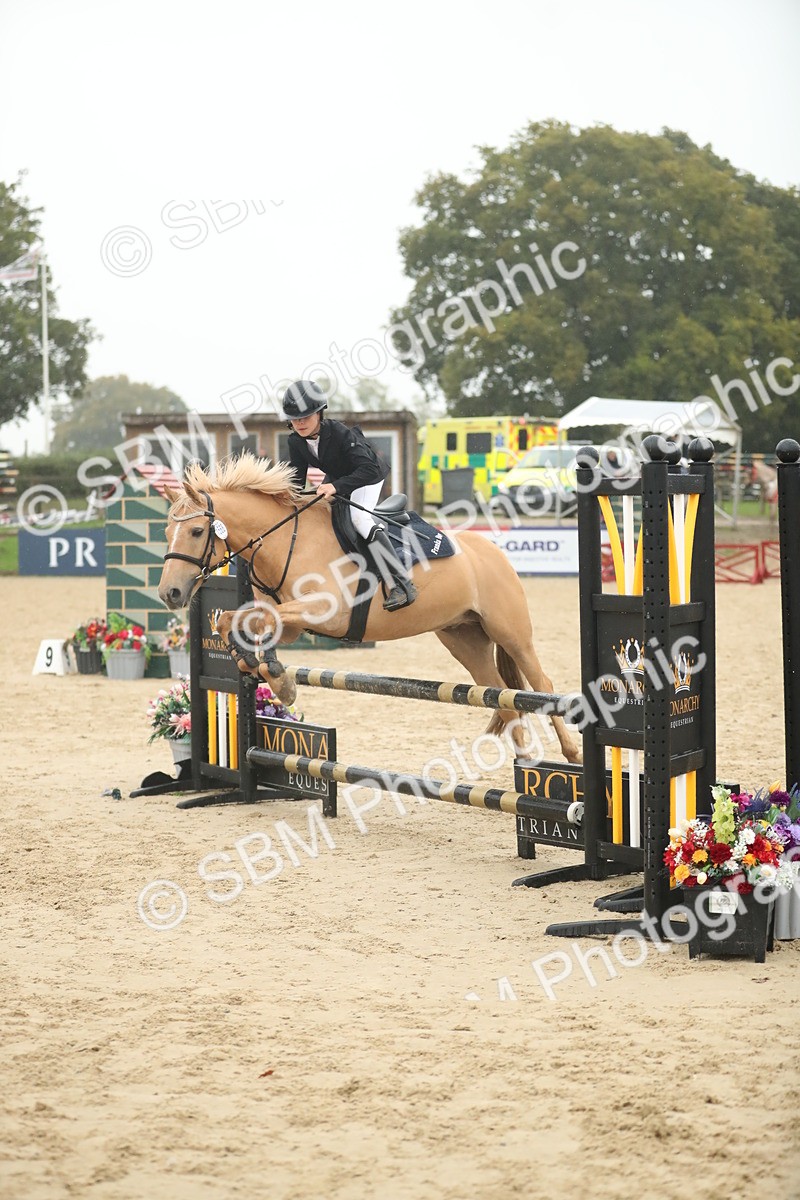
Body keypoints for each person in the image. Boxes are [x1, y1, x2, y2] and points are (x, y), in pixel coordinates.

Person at [282, 379, 417, 611]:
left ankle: (402, 583)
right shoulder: (295, 441)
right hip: (338, 477)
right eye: (295, 419)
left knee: (359, 519)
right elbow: (295, 479)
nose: (300, 423)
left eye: (305, 416)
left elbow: (368, 470)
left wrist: (335, 487)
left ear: (319, 414)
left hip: (368, 477)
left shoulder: (340, 433)